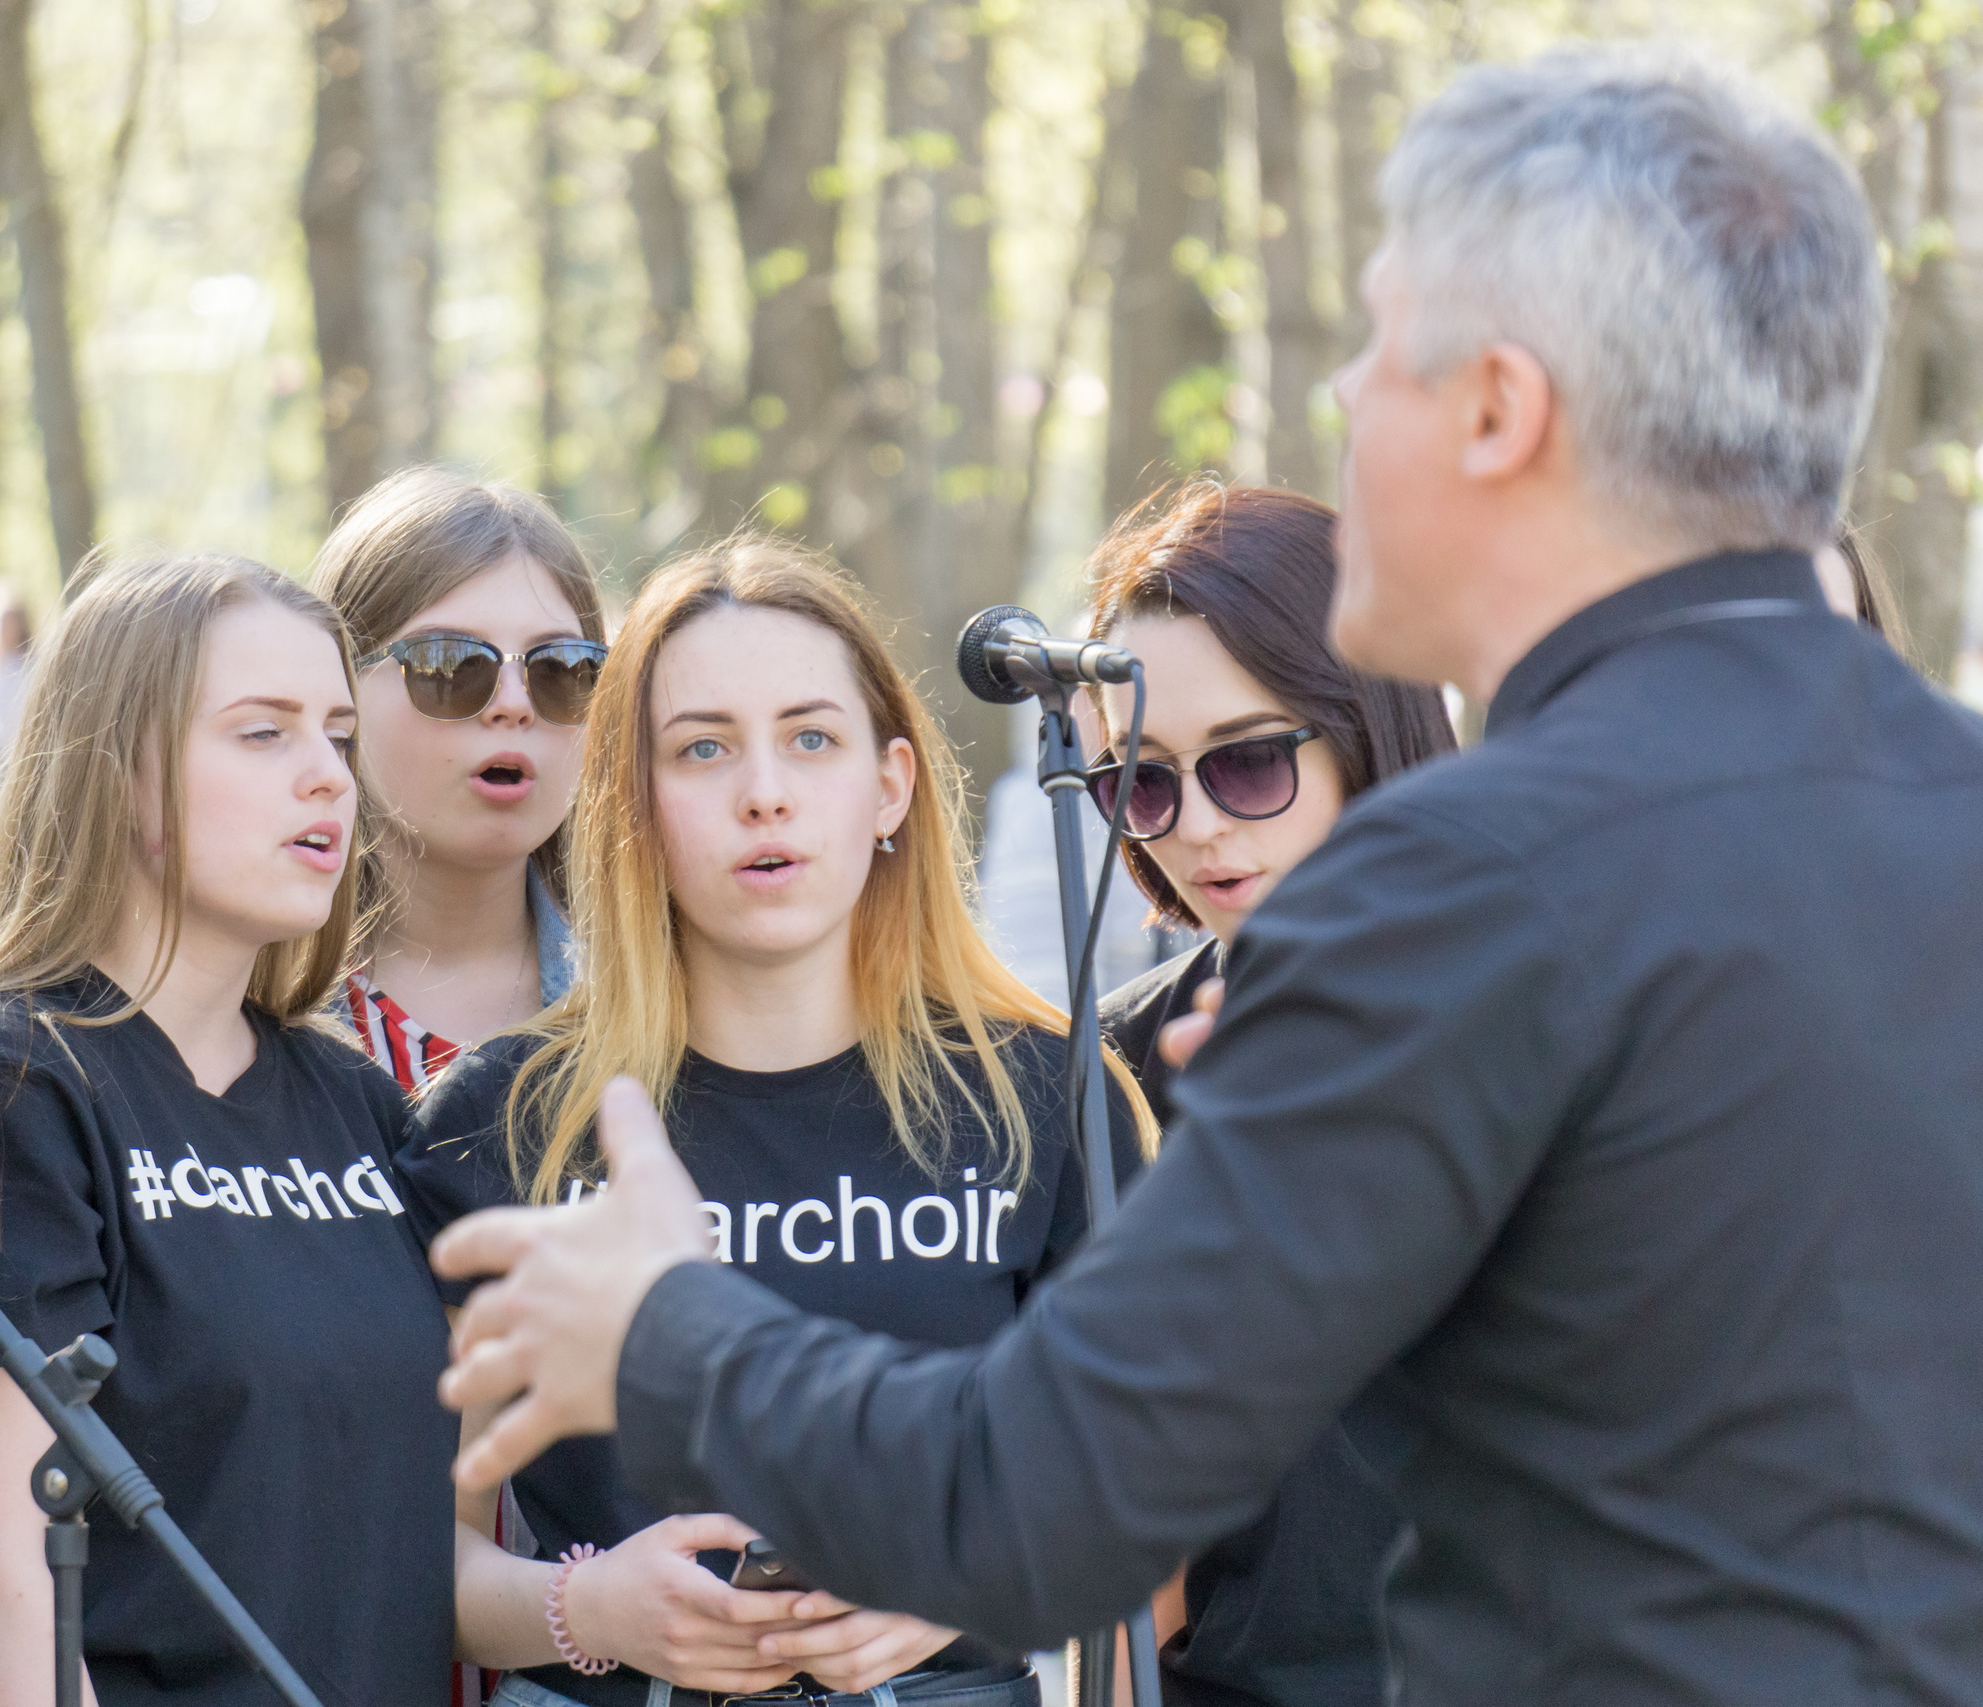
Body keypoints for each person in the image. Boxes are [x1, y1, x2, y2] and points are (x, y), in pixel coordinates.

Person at [425, 47, 1983, 1707]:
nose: (1341, 404)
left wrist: (666, 1323)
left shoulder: (1452, 893)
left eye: (1376, 347)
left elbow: (1042, 1497)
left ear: (1498, 410)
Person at [398, 536, 1150, 1706]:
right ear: (632, 803)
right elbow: (403, 1555)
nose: (765, 790)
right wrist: (587, 1608)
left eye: (811, 738)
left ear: (890, 783)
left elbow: (1138, 1494)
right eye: (703, 749)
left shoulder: (1045, 1096)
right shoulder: (503, 1122)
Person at [0, 552, 479, 1707]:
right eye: (263, 734)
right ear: (122, 773)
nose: (329, 780)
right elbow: (11, 1582)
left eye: (338, 737)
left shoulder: (358, 1105)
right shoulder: (14, 1084)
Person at [1086, 482, 1455, 1707]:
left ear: (1361, 723)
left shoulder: (1558, 1017)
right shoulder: (1110, 1074)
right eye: (1140, 784)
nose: (1191, 827)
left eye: (1246, 761)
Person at [310, 467, 606, 1091]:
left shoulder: (667, 1001)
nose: (515, 703)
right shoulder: (235, 1007)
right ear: (338, 691)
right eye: (449, 664)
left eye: (559, 669)